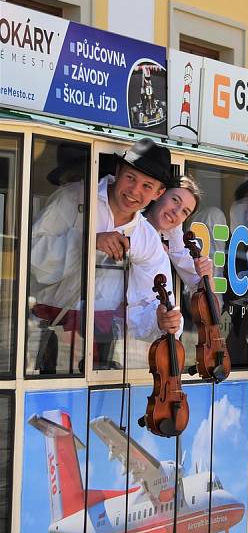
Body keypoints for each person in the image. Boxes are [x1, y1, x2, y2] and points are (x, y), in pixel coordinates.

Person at [30, 137, 181, 370]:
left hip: (105, 343)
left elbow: (148, 302)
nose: (134, 191)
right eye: (131, 178)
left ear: (159, 193)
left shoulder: (147, 238)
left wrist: (161, 319)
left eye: (147, 186)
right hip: (53, 331)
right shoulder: (74, 197)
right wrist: (88, 242)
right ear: (119, 171)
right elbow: (33, 257)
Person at [144, 174, 215, 292]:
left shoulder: (172, 233)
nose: (176, 212)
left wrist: (207, 275)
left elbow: (200, 288)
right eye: (175, 200)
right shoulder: (131, 220)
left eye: (185, 212)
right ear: (160, 193)